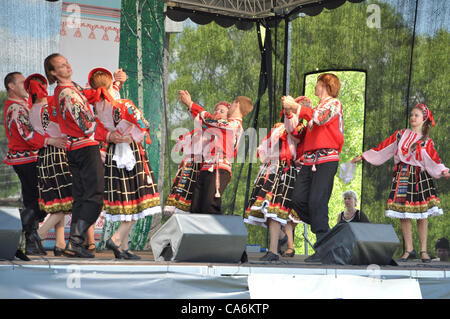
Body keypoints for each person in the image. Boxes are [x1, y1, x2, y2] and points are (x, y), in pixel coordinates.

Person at [44, 53, 127, 258]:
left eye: (66, 63)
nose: (67, 66)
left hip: (76, 148)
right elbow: (87, 125)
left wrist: (113, 84)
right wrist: (106, 129)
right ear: (53, 72)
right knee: (95, 197)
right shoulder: (67, 94)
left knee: (81, 198)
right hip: (84, 147)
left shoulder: (71, 89)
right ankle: (76, 241)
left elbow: (94, 95)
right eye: (61, 66)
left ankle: (76, 243)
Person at [352, 103, 449, 263]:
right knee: (404, 213)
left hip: (420, 176)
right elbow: (383, 147)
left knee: (422, 214)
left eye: (416, 115)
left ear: (424, 119)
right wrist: (363, 157)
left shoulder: (426, 141)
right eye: (411, 114)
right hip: (403, 175)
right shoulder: (400, 135)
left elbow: (433, 158)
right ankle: (409, 250)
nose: (412, 117)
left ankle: (424, 251)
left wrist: (443, 170)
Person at [87, 67, 161, 260]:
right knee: (137, 197)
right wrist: (131, 137)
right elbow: (144, 124)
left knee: (126, 200)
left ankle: (123, 248)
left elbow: (97, 130)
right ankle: (117, 238)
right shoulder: (124, 104)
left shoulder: (97, 107)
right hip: (130, 152)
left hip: (113, 153)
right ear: (110, 84)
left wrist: (113, 136)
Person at [3, 72, 67, 259]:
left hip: (27, 159)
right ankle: (20, 232)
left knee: (39, 200)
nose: (27, 86)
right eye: (22, 83)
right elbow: (28, 135)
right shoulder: (16, 108)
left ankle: (37, 242)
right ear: (11, 86)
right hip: (27, 160)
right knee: (39, 201)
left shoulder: (23, 106)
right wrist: (51, 141)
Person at [282, 73, 344, 261]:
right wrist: (289, 112)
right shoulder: (315, 109)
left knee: (317, 201)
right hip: (309, 160)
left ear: (325, 85)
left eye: (317, 83)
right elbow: (296, 132)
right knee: (297, 198)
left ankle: (323, 245)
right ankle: (326, 233)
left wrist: (296, 106)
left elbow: (320, 118)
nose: (315, 87)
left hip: (326, 159)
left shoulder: (334, 104)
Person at [178, 90, 253, 215]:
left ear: (237, 104)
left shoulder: (233, 125)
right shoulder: (225, 125)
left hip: (219, 169)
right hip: (207, 168)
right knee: (196, 207)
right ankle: (197, 234)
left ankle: (214, 233)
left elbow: (208, 120)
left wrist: (190, 104)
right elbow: (206, 125)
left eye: (232, 103)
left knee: (210, 205)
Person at [25, 73, 73, 256]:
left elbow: (32, 137)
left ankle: (60, 243)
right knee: (69, 200)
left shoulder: (31, 110)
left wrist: (48, 140)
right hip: (58, 154)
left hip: (44, 157)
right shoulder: (50, 105)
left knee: (58, 202)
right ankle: (39, 234)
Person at [244, 117, 305, 261]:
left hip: (283, 169)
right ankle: (282, 238)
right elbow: (264, 148)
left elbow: (295, 136)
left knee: (273, 210)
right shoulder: (278, 127)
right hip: (270, 168)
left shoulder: (300, 128)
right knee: (261, 209)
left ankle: (273, 251)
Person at [164, 101, 231, 215]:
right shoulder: (202, 129)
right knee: (189, 200)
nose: (217, 112)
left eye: (222, 111)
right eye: (216, 110)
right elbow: (182, 145)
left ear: (228, 117)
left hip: (205, 168)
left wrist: (190, 104)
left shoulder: (224, 127)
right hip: (191, 166)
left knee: (204, 201)